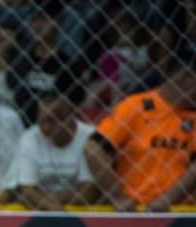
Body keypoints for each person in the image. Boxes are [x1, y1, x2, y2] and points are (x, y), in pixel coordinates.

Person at [84, 48, 196, 212]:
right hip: (134, 209)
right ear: (186, 79)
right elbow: (92, 149)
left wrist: (166, 200)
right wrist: (119, 197)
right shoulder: (135, 106)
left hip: (181, 211)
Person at [14, 92, 97, 211]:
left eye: (52, 120)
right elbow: (27, 190)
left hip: (85, 212)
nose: (46, 127)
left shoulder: (90, 136)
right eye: (42, 121)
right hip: (46, 209)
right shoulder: (29, 138)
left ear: (69, 117)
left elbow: (89, 192)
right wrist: (52, 207)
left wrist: (50, 200)